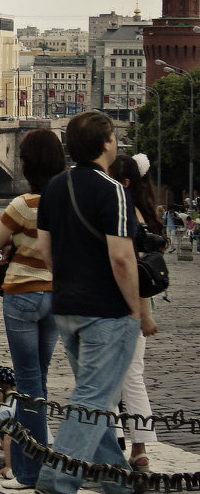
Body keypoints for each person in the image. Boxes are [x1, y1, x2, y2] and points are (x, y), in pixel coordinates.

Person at [34, 110, 149, 494]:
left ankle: (116, 481)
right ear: (104, 144)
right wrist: (134, 308)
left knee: (93, 397)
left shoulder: (54, 187)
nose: (116, 143)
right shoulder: (112, 189)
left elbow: (45, 250)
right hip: (106, 311)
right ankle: (56, 481)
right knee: (93, 398)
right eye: (114, 137)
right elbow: (122, 258)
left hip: (66, 306)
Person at [0, 128, 64, 489]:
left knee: (28, 382)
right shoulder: (67, 201)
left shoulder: (22, 205)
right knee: (39, 381)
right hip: (58, 296)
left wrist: (15, 240)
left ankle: (31, 471)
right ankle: (35, 459)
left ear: (28, 164)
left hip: (23, 295)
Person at [107, 153, 161, 471]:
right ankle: (138, 449)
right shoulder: (139, 211)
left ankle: (119, 444)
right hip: (135, 304)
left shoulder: (125, 213)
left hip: (125, 303)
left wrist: (143, 314)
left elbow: (134, 267)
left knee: (115, 377)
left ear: (124, 182)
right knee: (131, 376)